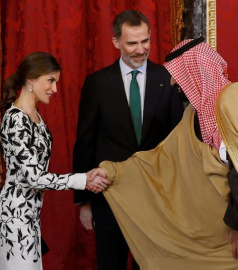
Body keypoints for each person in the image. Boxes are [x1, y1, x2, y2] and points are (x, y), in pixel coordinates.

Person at [89, 38, 238, 270]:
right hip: (218, 222)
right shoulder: (193, 115)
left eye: (178, 73)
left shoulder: (232, 98)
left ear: (197, 70)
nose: (173, 81)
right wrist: (112, 171)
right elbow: (162, 159)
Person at [73, 9, 184, 270]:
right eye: (132, 43)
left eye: (145, 41)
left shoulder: (166, 80)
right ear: (115, 42)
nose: (140, 49)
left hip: (156, 198)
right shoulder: (97, 83)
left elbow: (177, 141)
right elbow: (85, 142)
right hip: (110, 198)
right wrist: (84, 201)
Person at [0, 52, 111, 270]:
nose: (55, 89)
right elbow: (34, 178)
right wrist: (82, 180)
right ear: (31, 79)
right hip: (15, 218)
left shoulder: (36, 117)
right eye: (50, 80)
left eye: (56, 82)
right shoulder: (15, 120)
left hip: (30, 216)